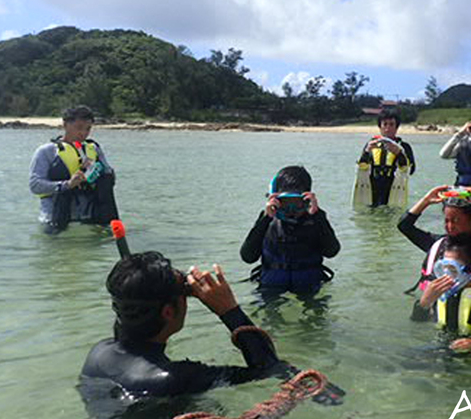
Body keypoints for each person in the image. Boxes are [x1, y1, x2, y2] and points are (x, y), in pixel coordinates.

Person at [80, 252, 289, 397]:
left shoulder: (99, 353)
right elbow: (270, 369)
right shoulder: (175, 378)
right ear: (168, 312)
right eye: (186, 294)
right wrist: (229, 310)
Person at [240, 166, 340, 296]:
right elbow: (247, 257)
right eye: (285, 203)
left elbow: (332, 251)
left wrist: (318, 216)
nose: (291, 210)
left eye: (297, 203)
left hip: (309, 285)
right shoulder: (268, 220)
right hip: (271, 286)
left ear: (307, 198)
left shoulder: (315, 219)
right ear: (275, 200)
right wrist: (265, 219)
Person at [29, 105, 119, 234]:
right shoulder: (46, 152)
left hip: (89, 220)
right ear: (65, 125)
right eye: (79, 128)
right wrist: (67, 184)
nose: (83, 133)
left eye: (88, 129)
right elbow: (35, 185)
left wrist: (95, 171)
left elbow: (109, 177)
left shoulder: (93, 149)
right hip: (56, 220)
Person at [398, 185, 471, 293]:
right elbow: (404, 226)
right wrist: (426, 200)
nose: (450, 226)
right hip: (432, 303)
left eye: (456, 221)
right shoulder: (437, 244)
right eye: (447, 221)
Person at [356, 109, 416, 207]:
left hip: (393, 188)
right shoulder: (371, 145)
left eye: (392, 124)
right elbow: (362, 166)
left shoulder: (404, 146)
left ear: (397, 127)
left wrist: (399, 154)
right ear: (380, 127)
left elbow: (411, 170)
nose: (388, 128)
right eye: (385, 124)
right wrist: (366, 152)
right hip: (373, 189)